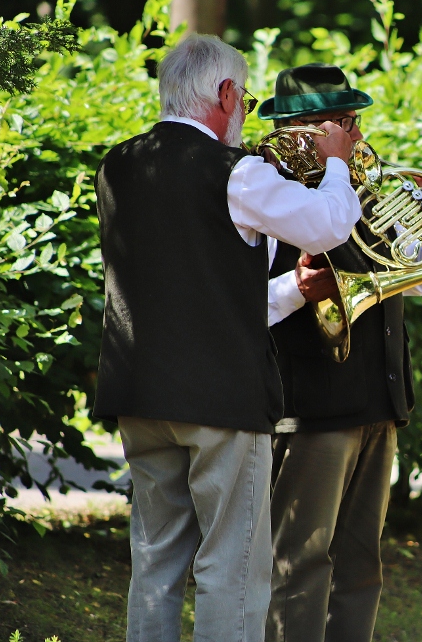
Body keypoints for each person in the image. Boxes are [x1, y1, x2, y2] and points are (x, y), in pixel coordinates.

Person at [93, 36, 362, 642]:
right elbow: (327, 223)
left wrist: (291, 289)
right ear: (225, 93)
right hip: (221, 401)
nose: (244, 110)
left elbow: (196, 287)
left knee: (155, 562)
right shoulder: (235, 171)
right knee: (233, 570)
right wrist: (337, 160)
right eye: (243, 97)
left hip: (137, 393)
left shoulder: (116, 165)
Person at [258, 63, 422, 642]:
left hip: (378, 398)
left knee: (361, 566)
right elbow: (243, 304)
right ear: (306, 131)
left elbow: (419, 279)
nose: (358, 136)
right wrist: (300, 288)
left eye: (354, 122)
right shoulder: (267, 195)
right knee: (299, 564)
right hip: (312, 406)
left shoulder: (363, 186)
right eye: (345, 124)